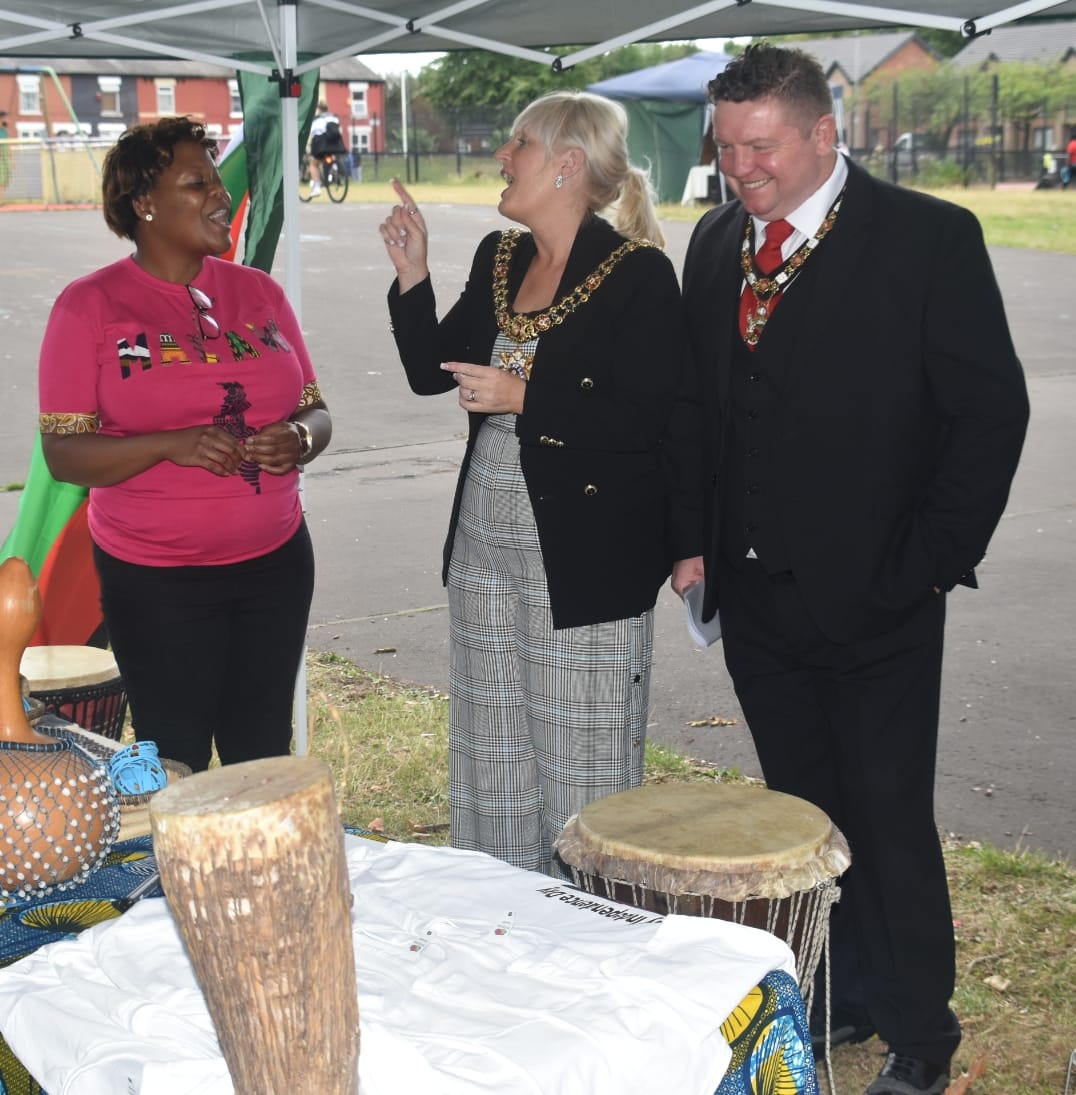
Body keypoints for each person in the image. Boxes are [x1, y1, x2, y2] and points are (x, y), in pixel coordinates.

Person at [678, 44, 1028, 1095]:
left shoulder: (926, 238)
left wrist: (923, 566)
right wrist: (691, 543)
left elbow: (986, 417)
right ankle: (848, 996)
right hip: (755, 600)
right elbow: (701, 409)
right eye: (726, 147)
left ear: (823, 134)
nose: (741, 168)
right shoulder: (710, 244)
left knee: (884, 814)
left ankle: (921, 1025)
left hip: (879, 598)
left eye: (760, 147)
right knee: (804, 815)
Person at [379, 91, 701, 877]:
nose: (502, 155)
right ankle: (499, 924)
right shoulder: (501, 255)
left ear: (567, 165)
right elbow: (434, 371)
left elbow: (653, 420)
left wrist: (527, 395)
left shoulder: (639, 275)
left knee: (578, 754)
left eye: (518, 143)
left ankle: (588, 931)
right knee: (493, 749)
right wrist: (414, 275)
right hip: (486, 532)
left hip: (586, 548)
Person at [38, 116, 332, 773]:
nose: (220, 196)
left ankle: (258, 876)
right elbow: (65, 454)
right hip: (156, 580)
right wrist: (169, 443)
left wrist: (298, 437)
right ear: (143, 203)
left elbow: (316, 409)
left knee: (263, 756)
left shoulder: (260, 293)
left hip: (276, 564)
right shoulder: (89, 307)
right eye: (198, 182)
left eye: (217, 183)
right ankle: (178, 878)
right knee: (175, 762)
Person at [307, 101, 347, 196]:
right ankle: (335, 170)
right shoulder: (333, 118)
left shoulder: (316, 119)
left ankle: (317, 188)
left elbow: (313, 133)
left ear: (318, 109)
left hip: (321, 145)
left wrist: (308, 145)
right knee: (331, 158)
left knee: (313, 164)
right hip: (335, 145)